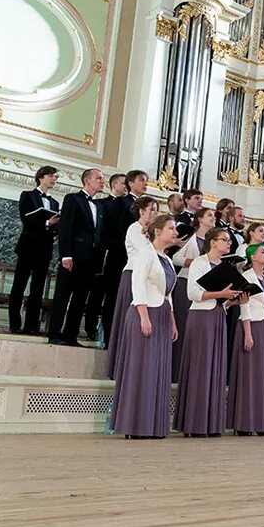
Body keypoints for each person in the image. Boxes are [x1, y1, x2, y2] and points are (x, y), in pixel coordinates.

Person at [109, 215, 178, 439]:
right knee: (141, 368)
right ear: (157, 231)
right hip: (144, 313)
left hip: (162, 315)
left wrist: (172, 320)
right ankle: (134, 425)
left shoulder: (166, 259)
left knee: (158, 369)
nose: (175, 232)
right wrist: (144, 317)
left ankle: (153, 425)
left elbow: (168, 294)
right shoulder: (145, 254)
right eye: (171, 228)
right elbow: (137, 286)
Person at [174, 229, 244, 437]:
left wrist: (233, 300)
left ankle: (211, 422)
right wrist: (221, 293)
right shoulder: (199, 263)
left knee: (215, 368)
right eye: (225, 240)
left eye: (229, 241)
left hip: (217, 315)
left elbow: (221, 300)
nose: (228, 243)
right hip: (201, 317)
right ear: (213, 242)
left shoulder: (224, 267)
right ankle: (194, 423)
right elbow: (193, 293)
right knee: (200, 367)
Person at [48, 168, 106, 347]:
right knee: (62, 296)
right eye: (99, 178)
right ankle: (55, 334)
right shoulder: (73, 199)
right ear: (87, 181)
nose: (102, 181)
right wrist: (65, 255)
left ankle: (70, 335)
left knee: (80, 299)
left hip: (90, 261)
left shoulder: (99, 205)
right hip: (72, 258)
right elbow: (65, 228)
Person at [227, 244, 264, 436]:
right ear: (252, 257)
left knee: (261, 375)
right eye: (263, 252)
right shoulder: (247, 277)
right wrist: (248, 333)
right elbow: (244, 306)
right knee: (248, 374)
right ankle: (244, 422)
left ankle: (259, 421)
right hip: (250, 326)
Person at [104, 196, 157, 379]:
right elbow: (145, 251)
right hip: (133, 275)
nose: (155, 214)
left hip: (147, 279)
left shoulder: (150, 232)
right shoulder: (135, 228)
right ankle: (120, 365)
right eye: (152, 210)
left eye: (157, 210)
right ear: (142, 211)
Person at [9, 165, 60, 335]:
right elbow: (26, 219)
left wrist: (56, 226)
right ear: (41, 177)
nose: (54, 179)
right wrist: (47, 223)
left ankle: (31, 325)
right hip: (28, 247)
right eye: (52, 176)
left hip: (44, 249)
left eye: (56, 177)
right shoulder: (27, 195)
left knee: (37, 289)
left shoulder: (54, 202)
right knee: (19, 286)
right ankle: (14, 323)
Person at [170, 207, 217, 382]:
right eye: (209, 215)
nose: (213, 218)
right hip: (186, 283)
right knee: (183, 326)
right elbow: (175, 258)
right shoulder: (191, 236)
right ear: (199, 219)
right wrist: (195, 261)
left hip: (205, 289)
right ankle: (177, 372)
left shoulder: (213, 241)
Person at [84, 172, 127, 342]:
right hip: (103, 254)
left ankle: (109, 331)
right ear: (114, 185)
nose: (126, 187)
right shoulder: (100, 203)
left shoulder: (128, 205)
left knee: (113, 296)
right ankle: (90, 328)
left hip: (120, 255)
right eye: (123, 184)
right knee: (96, 293)